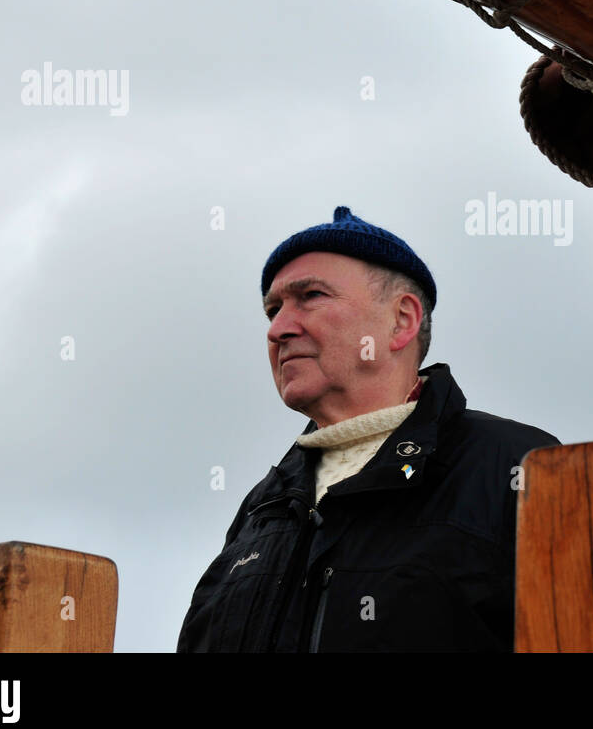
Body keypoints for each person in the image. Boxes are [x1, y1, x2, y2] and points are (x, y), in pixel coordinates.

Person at [176, 206, 560, 652]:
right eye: (273, 310)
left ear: (400, 320)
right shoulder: (262, 509)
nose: (278, 329)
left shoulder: (520, 467)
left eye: (311, 296)